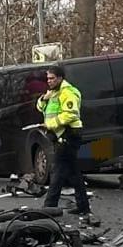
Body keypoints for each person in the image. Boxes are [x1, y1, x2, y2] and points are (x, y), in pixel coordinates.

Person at [38, 67, 91, 214]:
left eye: (52, 78)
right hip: (60, 134)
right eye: (48, 79)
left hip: (68, 134)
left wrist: (50, 124)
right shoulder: (53, 93)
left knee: (58, 170)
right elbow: (41, 108)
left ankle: (49, 207)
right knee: (73, 173)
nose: (49, 81)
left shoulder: (67, 92)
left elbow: (71, 115)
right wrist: (43, 99)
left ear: (60, 78)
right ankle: (83, 207)